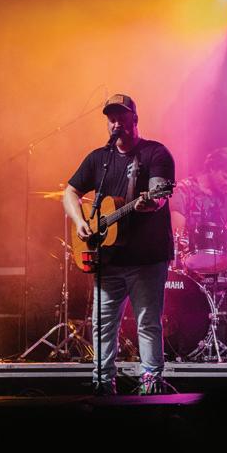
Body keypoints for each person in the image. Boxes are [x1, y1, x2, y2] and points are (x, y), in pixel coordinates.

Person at [63, 94, 175, 395]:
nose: (116, 124)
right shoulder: (99, 159)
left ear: (134, 119)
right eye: (111, 119)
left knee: (147, 323)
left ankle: (151, 383)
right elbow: (70, 192)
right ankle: (103, 383)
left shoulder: (155, 153)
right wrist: (80, 221)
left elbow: (160, 196)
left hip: (146, 259)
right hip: (108, 260)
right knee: (102, 324)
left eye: (122, 118)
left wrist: (150, 203)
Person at [169, 147, 227, 270]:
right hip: (186, 265)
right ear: (212, 168)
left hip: (213, 264)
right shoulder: (183, 190)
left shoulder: (221, 197)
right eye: (225, 177)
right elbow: (177, 236)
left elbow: (221, 231)